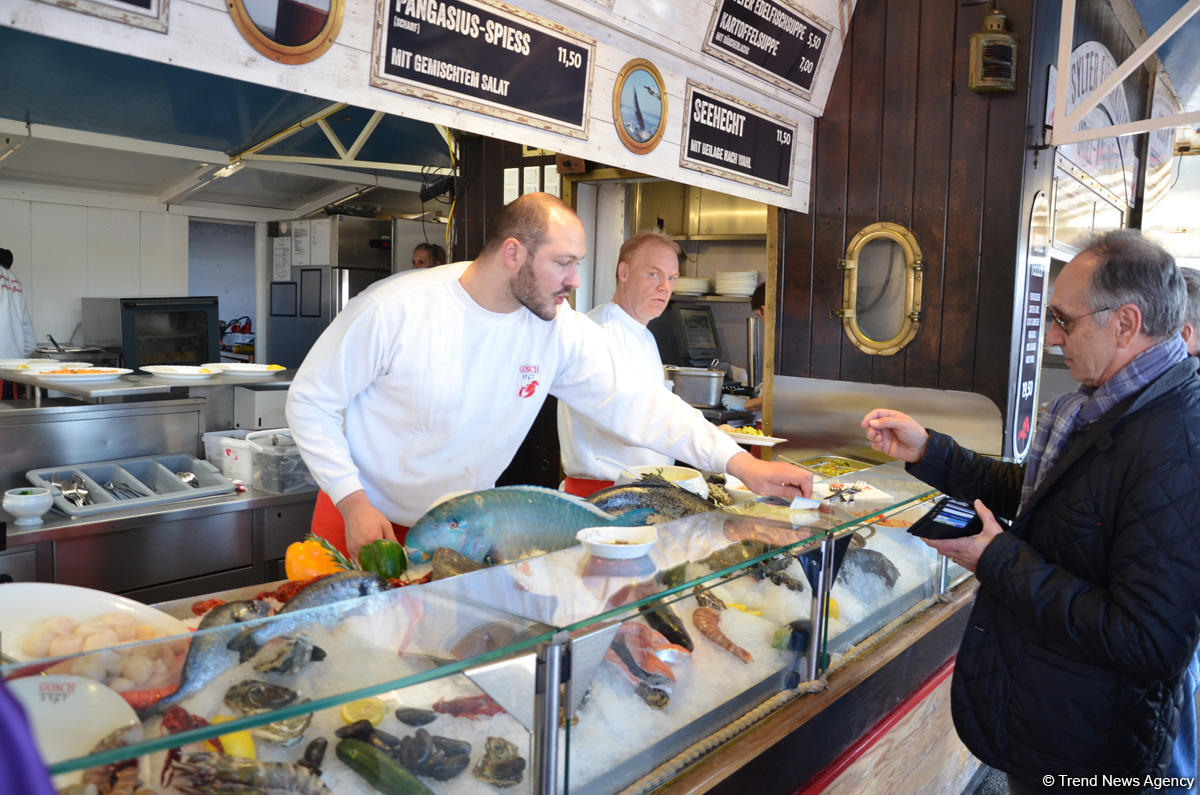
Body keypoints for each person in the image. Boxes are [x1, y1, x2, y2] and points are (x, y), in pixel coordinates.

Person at [287, 193, 812, 557]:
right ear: (513, 252)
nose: (575, 280)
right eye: (563, 263)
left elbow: (639, 401)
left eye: (577, 263)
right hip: (361, 517)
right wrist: (351, 500)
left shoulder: (558, 329)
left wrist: (741, 463)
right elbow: (310, 402)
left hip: (461, 529)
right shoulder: (395, 308)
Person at [861, 229, 1200, 791]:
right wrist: (930, 451)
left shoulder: (1177, 442)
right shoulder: (1111, 407)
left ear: (1126, 323)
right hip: (1058, 717)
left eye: (1065, 320)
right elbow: (1046, 498)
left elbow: (1149, 640)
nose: (1054, 337)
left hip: (1094, 749)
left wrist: (996, 558)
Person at [556, 231, 680, 496]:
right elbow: (623, 422)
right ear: (624, 273)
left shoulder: (642, 333)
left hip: (640, 494)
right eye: (654, 274)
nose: (665, 287)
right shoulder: (604, 330)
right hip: (606, 496)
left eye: (672, 278)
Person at [0, 248, 37, 401]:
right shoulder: (15, 281)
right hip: (11, 369)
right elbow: (29, 340)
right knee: (8, 413)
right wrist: (15, 358)